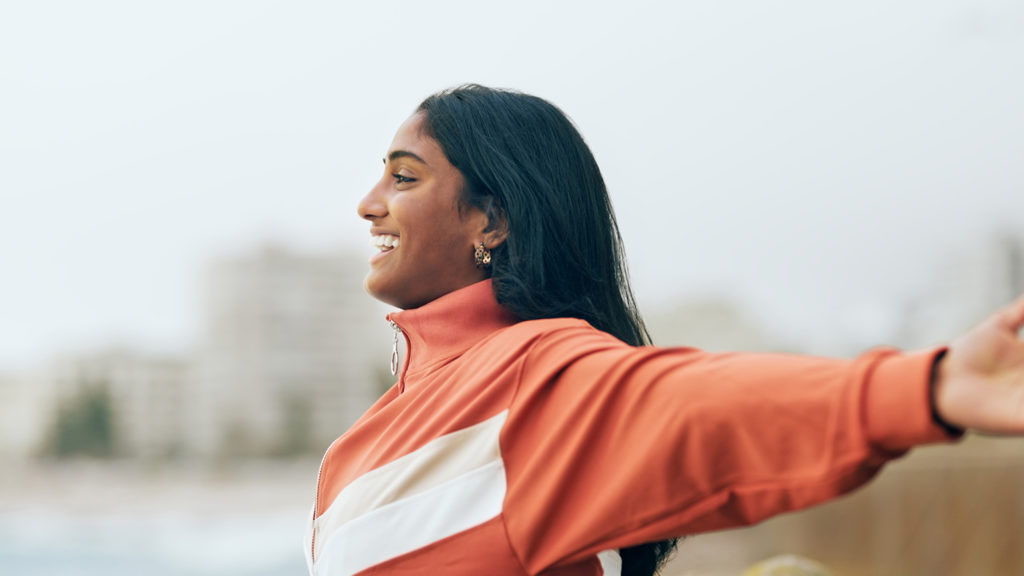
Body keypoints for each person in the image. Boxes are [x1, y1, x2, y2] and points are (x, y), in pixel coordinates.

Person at [304, 84, 1024, 576]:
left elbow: (697, 407)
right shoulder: (356, 447)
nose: (368, 204)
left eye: (405, 177)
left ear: (492, 219)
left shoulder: (534, 374)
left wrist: (924, 388)